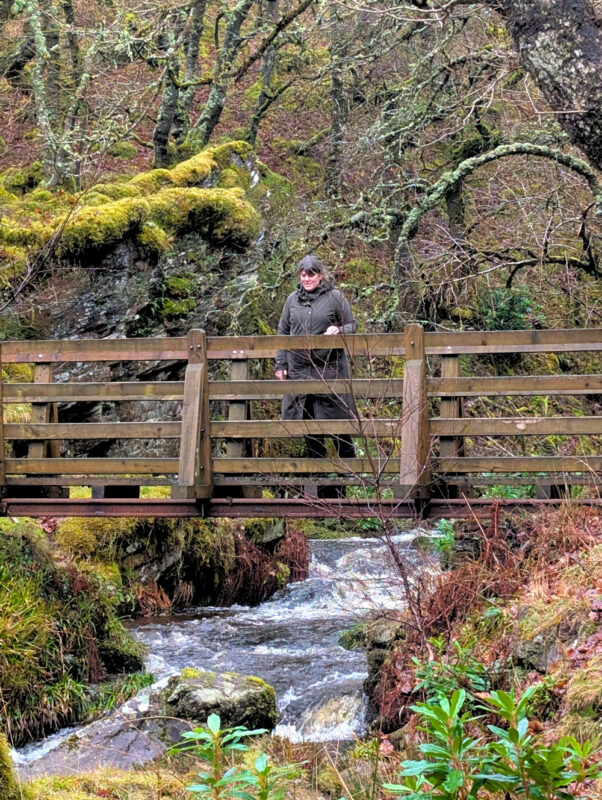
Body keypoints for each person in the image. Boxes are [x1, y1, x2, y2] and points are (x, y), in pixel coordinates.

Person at [275, 255, 357, 489]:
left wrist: (338, 329)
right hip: (300, 371)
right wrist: (280, 364)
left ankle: (348, 482)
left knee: (339, 429)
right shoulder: (292, 300)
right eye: (303, 274)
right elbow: (283, 332)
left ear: (320, 275)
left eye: (311, 274)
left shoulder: (335, 298)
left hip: (330, 372)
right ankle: (318, 490)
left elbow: (353, 326)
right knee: (309, 430)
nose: (306, 279)